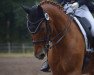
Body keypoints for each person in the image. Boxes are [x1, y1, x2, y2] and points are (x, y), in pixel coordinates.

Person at [41, 0, 94, 72]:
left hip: (81, 9)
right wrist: (62, 4)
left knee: (93, 29)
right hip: (65, 9)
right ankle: (49, 61)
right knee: (53, 29)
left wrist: (78, 3)